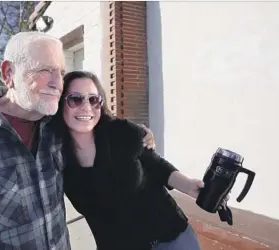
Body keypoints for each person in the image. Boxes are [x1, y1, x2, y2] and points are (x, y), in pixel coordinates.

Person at [0, 31, 155, 250]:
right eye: (45, 70)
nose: (58, 83)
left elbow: (98, 123)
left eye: (61, 72)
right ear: (8, 72)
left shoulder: (57, 125)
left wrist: (137, 133)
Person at [53, 70, 211, 250]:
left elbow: (156, 165)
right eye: (75, 99)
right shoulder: (53, 152)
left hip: (170, 240)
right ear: (61, 103)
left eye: (93, 99)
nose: (86, 107)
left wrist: (190, 185)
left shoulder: (122, 132)